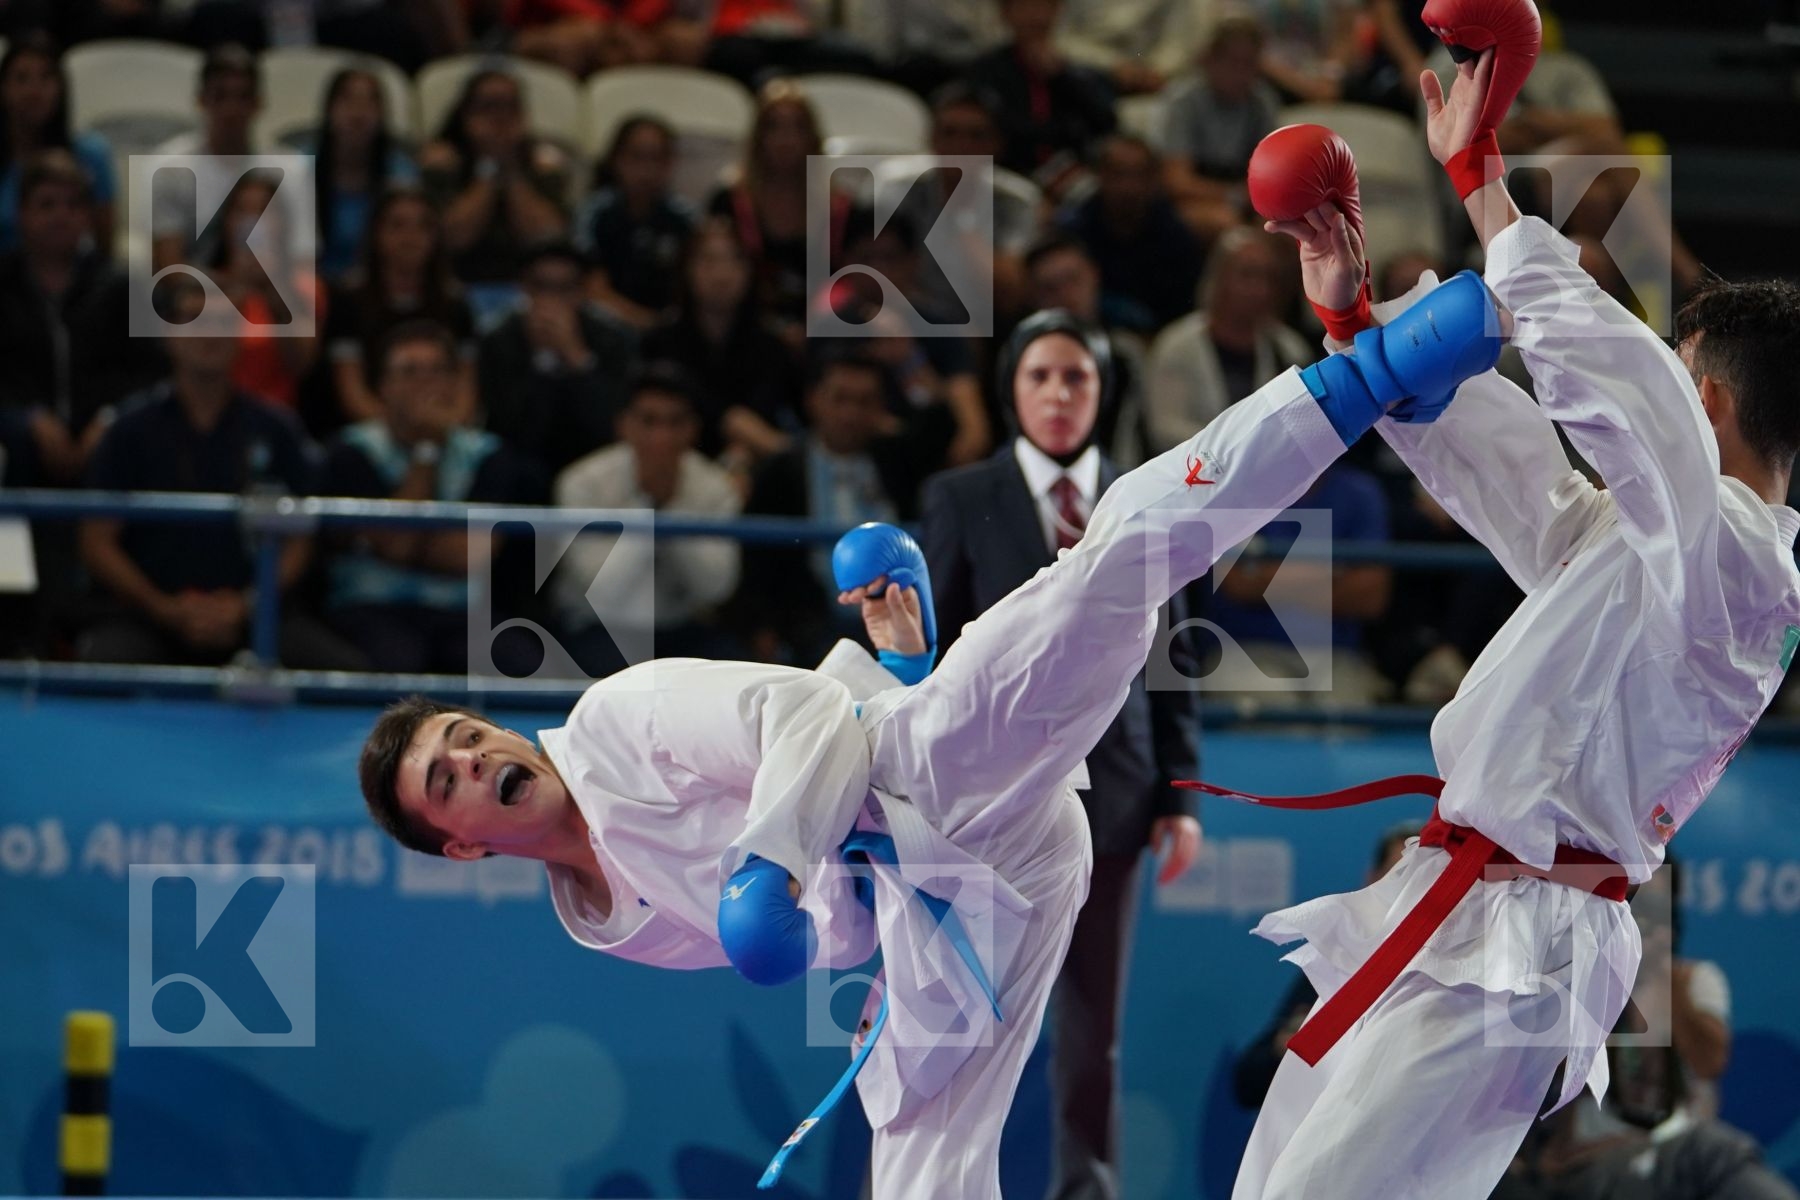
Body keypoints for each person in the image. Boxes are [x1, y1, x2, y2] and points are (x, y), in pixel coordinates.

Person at [356, 254, 1504, 1199]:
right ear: (459, 845)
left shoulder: (612, 723)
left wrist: (772, 860)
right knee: (917, 1160)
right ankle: (914, 670)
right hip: (945, 897)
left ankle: (1363, 377)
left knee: (1106, 571)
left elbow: (798, 711)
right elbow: (826, 932)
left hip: (927, 771)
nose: (472, 758)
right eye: (445, 781)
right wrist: (825, 898)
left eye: (461, 735)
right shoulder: (602, 922)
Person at [1229, 39, 1800, 1200]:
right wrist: (1363, 334)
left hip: (1522, 942)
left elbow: (1619, 388)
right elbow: (1527, 489)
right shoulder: (1659, 549)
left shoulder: (1744, 567)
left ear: (1704, 402)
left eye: (1674, 374)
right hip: (1455, 903)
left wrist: (1483, 183)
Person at [920, 310, 1203, 1200]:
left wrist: (1180, 796)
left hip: (1114, 797)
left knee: (1092, 1032)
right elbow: (929, 656)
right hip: (982, 806)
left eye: (1075, 376)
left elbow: (1173, 658)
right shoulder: (961, 497)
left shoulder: (1144, 495)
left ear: (1101, 391)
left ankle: (1087, 1190)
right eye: (1039, 375)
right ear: (1010, 388)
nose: (1057, 394)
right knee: (950, 1018)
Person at [77, 278, 359, 670]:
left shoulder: (277, 429)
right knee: (101, 668)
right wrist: (164, 609)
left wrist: (246, 604)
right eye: (194, 319)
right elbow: (97, 542)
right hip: (147, 615)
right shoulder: (127, 430)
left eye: (224, 321)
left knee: (345, 673)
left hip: (257, 616)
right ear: (168, 335)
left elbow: (301, 540)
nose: (210, 332)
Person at [320, 319, 541, 674]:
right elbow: (398, 542)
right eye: (409, 372)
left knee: (522, 664)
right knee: (395, 659)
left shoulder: (488, 455)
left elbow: (466, 556)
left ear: (455, 383)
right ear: (383, 387)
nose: (425, 383)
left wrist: (406, 544)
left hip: (463, 613)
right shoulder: (350, 451)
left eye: (438, 371)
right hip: (371, 607)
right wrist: (427, 450)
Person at [730, 352, 929, 667]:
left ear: (880, 407)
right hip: (809, 626)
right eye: (840, 399)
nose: (851, 414)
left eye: (864, 401)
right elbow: (756, 561)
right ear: (814, 400)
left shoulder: (902, 462)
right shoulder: (782, 471)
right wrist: (762, 630)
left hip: (896, 620)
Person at [550, 362, 743, 677]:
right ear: (624, 425)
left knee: (732, 672)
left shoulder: (716, 488)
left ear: (692, 429)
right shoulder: (582, 483)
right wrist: (647, 511)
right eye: (649, 421)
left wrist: (669, 513)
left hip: (683, 632)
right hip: (599, 630)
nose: (662, 436)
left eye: (675, 422)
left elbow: (716, 589)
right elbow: (598, 591)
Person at [707, 82, 865, 344]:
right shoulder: (729, 203)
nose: (786, 139)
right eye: (774, 127)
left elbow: (855, 283)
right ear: (758, 137)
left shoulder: (842, 211)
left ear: (813, 138)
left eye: (797, 128)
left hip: (824, 331)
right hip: (744, 329)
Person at [638, 216, 800, 470]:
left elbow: (766, 414)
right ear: (687, 269)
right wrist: (732, 423)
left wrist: (745, 449)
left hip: (756, 464)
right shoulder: (659, 342)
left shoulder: (772, 346)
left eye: (735, 260)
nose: (722, 274)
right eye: (709, 260)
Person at [317, 185, 478, 437]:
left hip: (444, 434)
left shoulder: (456, 306)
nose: (410, 237)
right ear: (376, 233)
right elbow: (353, 396)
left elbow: (465, 397)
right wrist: (403, 432)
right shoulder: (348, 302)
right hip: (372, 436)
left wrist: (438, 429)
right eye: (397, 225)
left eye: (423, 226)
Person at [477, 238, 639, 477]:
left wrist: (577, 356)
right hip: (521, 466)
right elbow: (505, 426)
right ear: (524, 287)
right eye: (541, 286)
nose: (552, 298)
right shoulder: (499, 340)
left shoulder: (612, 339)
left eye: (565, 287)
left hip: (592, 460)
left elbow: (610, 427)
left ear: (582, 291)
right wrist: (541, 358)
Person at [1144, 227, 1310, 458]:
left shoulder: (1289, 349)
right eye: (1248, 275)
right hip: (1190, 470)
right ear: (1219, 279)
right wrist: (1233, 451)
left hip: (1269, 468)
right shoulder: (1178, 346)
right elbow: (1164, 429)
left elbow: (1302, 426)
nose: (1260, 289)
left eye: (1268, 278)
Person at [419, 69, 570, 312]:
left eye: (510, 107)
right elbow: (451, 238)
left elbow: (548, 239)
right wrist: (489, 168)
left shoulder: (544, 167)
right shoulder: (443, 165)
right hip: (457, 291)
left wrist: (510, 169)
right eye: (489, 106)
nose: (501, 118)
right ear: (465, 114)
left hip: (531, 296)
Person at [962, 0, 1118, 195]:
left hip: (1075, 178)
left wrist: (1061, 77)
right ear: (1005, 13)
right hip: (1005, 178)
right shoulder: (985, 70)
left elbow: (1106, 122)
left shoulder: (1079, 70)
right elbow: (993, 129)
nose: (1035, 16)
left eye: (1043, 5)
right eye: (1024, 6)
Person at [1058, 135, 1206, 335]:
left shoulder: (1175, 236)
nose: (1128, 187)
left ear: (1153, 180)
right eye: (1118, 174)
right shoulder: (1073, 234)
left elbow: (1185, 312)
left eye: (1138, 175)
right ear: (1100, 176)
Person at [205, 170, 322, 412]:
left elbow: (301, 364)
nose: (253, 222)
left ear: (283, 224)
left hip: (275, 414)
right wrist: (237, 284)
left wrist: (272, 287)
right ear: (226, 222)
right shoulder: (205, 287)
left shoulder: (305, 287)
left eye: (264, 212)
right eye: (242, 211)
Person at [1159, 12, 1280, 244]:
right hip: (1192, 201)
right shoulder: (1184, 102)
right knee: (1225, 223)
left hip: (1245, 200)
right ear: (1210, 60)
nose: (1240, 73)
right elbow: (1177, 182)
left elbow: (1271, 176)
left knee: (1289, 227)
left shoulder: (1262, 103)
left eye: (1249, 64)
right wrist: (1235, 195)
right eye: (1233, 62)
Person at [149, 44, 272, 272]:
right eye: (220, 96)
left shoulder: (289, 170)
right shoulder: (170, 169)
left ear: (258, 104)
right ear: (201, 100)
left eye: (242, 97)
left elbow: (300, 260)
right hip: (195, 290)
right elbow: (169, 269)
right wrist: (231, 287)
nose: (231, 109)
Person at [573, 115, 695, 331]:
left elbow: (697, 287)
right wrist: (649, 324)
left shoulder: (686, 217)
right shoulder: (594, 214)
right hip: (607, 327)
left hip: (674, 329)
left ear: (670, 163)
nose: (647, 169)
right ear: (616, 160)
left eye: (657, 158)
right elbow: (591, 289)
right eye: (637, 157)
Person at [0, 32, 114, 257]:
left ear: (61, 86)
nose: (34, 91)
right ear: (3, 88)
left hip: (72, 275)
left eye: (46, 77)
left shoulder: (91, 154)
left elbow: (104, 247)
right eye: (21, 78)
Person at [305, 66, 419, 285]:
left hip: (379, 288)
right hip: (311, 287)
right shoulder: (301, 170)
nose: (358, 112)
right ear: (329, 109)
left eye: (369, 102)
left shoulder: (402, 174)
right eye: (348, 100)